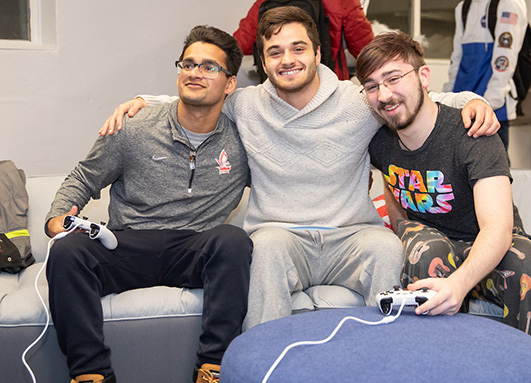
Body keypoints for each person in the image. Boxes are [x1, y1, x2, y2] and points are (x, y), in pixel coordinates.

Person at [100, 7, 500, 331]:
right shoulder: (246, 105)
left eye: (298, 49)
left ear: (318, 54)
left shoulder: (359, 99)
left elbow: (424, 96)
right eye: (275, 52)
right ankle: (264, 368)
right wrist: (141, 100)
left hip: (352, 236)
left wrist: (473, 101)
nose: (287, 60)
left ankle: (386, 363)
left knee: (386, 247)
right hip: (281, 235)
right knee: (266, 249)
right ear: (262, 61)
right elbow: (196, 95)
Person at [355, 31, 531, 382]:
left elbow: (497, 228)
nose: (384, 95)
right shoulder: (380, 143)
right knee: (422, 247)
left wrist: (459, 284)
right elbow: (393, 191)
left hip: (487, 241)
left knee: (527, 263)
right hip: (435, 241)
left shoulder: (473, 133)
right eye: (371, 85)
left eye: (394, 78)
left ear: (424, 77)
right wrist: (402, 227)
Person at [45, 26, 252, 383]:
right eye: (187, 64)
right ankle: (90, 373)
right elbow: (83, 177)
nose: (194, 73)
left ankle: (214, 368)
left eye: (208, 67)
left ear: (230, 84)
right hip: (127, 244)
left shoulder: (245, 139)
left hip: (194, 247)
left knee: (233, 241)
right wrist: (57, 217)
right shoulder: (135, 128)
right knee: (67, 252)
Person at [443, 0, 527, 151]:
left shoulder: (509, 4)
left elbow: (506, 55)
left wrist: (491, 101)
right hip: (461, 107)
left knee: (492, 167)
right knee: (458, 167)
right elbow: (457, 56)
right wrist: (449, 97)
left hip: (492, 106)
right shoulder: (463, 7)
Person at [233, 0, 374, 80]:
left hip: (278, 88)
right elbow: (367, 51)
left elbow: (239, 45)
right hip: (328, 82)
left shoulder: (264, 2)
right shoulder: (342, 2)